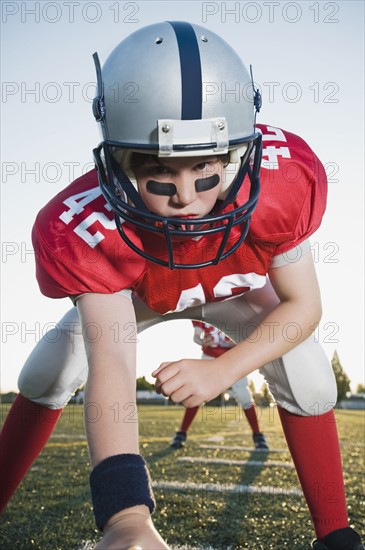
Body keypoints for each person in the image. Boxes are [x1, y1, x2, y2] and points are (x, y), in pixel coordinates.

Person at [0, 21, 363, 550]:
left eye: (205, 171)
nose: (186, 198)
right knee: (48, 371)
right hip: (135, 293)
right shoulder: (82, 229)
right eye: (160, 174)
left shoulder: (284, 183)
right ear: (120, 164)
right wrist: (125, 518)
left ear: (239, 155)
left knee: (308, 369)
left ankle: (336, 535)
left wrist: (224, 369)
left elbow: (304, 305)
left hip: (236, 292)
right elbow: (115, 362)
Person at [170, 321, 269, 450]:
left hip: (233, 357)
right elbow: (196, 337)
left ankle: (257, 434)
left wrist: (239, 341)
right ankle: (181, 432)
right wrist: (203, 342)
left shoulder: (235, 306)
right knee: (196, 394)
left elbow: (249, 337)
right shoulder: (204, 307)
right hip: (209, 356)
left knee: (244, 396)